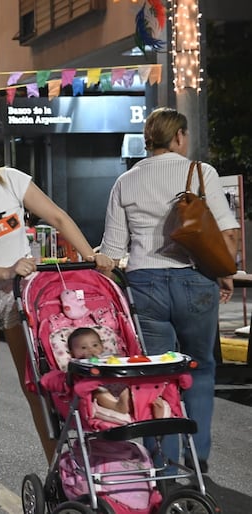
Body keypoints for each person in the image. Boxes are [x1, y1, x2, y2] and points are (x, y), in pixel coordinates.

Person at [0, 111, 114, 510]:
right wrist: (5, 269)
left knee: (38, 386)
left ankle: (60, 472)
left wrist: (91, 255)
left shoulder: (11, 180)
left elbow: (58, 217)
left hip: (22, 296)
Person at [99, 107, 240, 475]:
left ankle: (163, 460)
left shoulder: (125, 182)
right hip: (195, 281)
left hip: (145, 285)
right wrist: (225, 273)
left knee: (156, 375)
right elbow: (227, 234)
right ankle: (199, 457)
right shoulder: (200, 173)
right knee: (200, 367)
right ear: (178, 136)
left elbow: (112, 253)